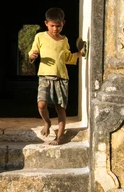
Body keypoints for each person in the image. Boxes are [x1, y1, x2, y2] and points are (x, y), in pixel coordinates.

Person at [28, 7, 83, 145]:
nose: (55, 29)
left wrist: (79, 54)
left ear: (63, 23)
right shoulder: (40, 36)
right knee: (41, 104)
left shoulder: (64, 40)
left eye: (58, 26)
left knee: (60, 109)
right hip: (44, 77)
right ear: (46, 23)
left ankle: (59, 138)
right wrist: (32, 56)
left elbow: (67, 57)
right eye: (52, 25)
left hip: (61, 78)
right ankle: (47, 122)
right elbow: (32, 51)